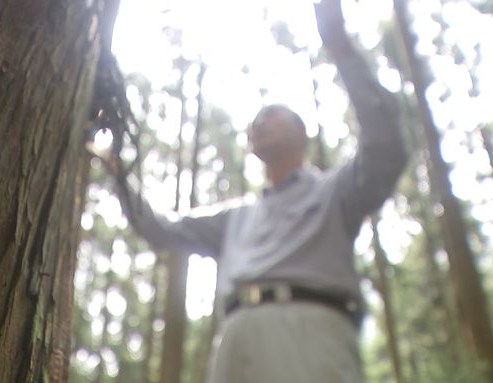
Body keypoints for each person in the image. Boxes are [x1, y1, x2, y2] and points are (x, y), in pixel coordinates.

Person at [106, 1, 407, 381]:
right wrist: (118, 172)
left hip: (311, 332)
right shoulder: (236, 217)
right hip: (234, 339)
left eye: (270, 115)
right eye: (253, 123)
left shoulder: (337, 192)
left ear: (302, 135)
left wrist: (341, 48)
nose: (257, 124)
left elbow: (387, 148)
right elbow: (159, 228)